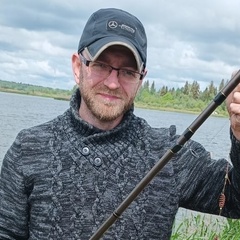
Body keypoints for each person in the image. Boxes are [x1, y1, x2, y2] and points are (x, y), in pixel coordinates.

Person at [0, 7, 240, 240]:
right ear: (77, 66)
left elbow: (235, 200)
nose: (113, 83)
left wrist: (239, 135)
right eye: (101, 65)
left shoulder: (169, 152)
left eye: (127, 71)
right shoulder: (28, 147)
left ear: (141, 79)